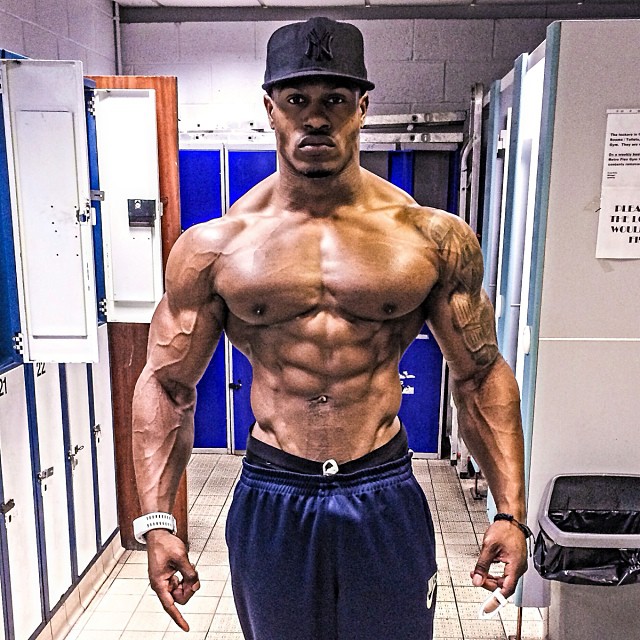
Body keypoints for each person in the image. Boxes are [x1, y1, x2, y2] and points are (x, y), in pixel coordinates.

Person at [131, 16, 528, 639]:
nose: (315, 118)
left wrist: (510, 511)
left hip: (382, 488)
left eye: (335, 100)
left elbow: (480, 374)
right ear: (270, 108)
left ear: (362, 107)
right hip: (273, 490)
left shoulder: (429, 237)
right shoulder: (216, 247)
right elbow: (166, 384)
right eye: (297, 100)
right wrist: (157, 522)